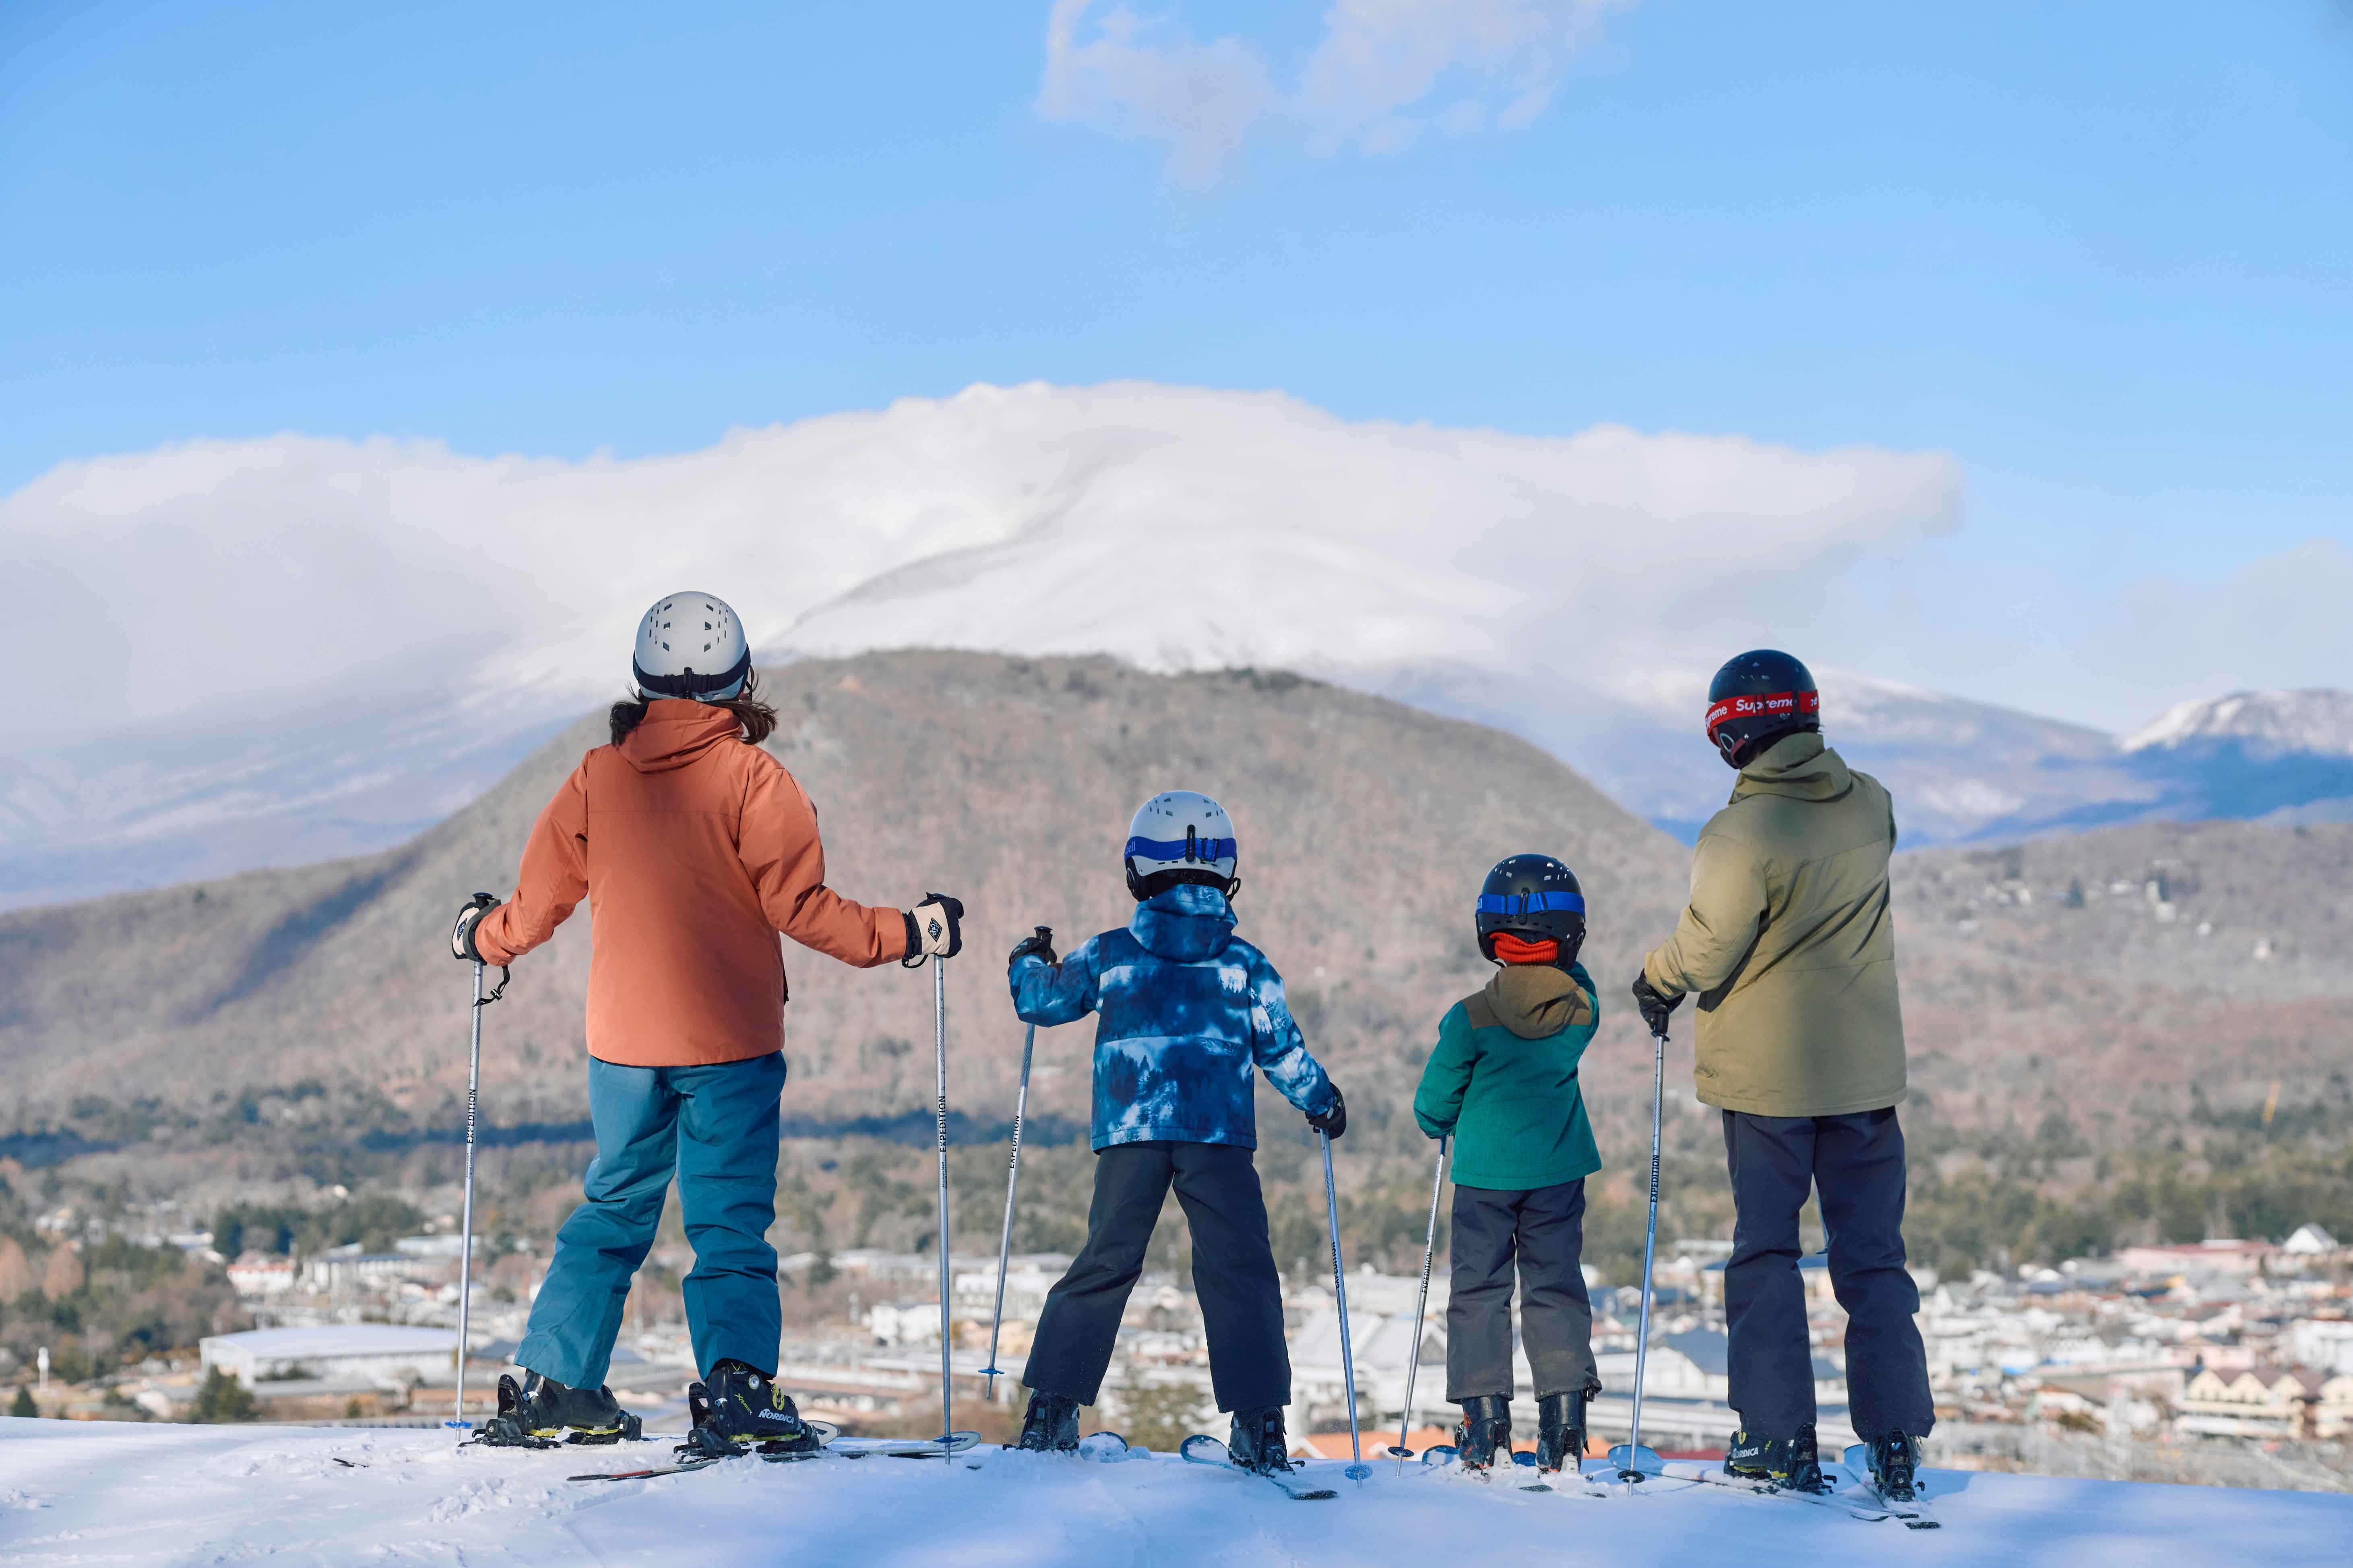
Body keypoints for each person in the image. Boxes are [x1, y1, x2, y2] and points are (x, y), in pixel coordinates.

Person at [448, 590, 963, 1454]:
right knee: (727, 1221)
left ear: (644, 680)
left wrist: (479, 936)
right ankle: (735, 1392)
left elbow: (535, 907)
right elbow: (806, 910)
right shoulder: (754, 779)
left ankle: (556, 1385)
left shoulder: (595, 777)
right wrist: (913, 931)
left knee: (612, 1208)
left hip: (621, 1048)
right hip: (730, 1042)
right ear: (739, 679)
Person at [1630, 649, 1931, 1500]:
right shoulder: (1870, 802)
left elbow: (1709, 943)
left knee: (1765, 1254)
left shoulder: (1740, 833)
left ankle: (1776, 1438)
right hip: (1865, 1079)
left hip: (1768, 1086)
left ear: (1731, 733)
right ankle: (1896, 1437)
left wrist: (1655, 979)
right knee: (1872, 1258)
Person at [1005, 790, 1344, 1477]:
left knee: (1107, 1259)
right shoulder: (1245, 964)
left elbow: (1040, 1002)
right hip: (1217, 1134)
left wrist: (1026, 958)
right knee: (1238, 1268)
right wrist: (1321, 1100)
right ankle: (1259, 1424)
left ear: (1138, 871)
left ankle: (1052, 1409)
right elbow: (1279, 1049)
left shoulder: (1110, 953)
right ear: (1225, 874)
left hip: (1129, 1131)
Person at [1412, 854, 1603, 1477]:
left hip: (1484, 1179)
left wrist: (1443, 1119)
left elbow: (1431, 1106)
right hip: (1557, 1172)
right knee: (1553, 1289)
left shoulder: (1468, 1017)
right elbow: (1576, 981)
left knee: (1479, 1294)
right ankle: (1565, 1426)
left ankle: (1485, 1423)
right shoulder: (1581, 1007)